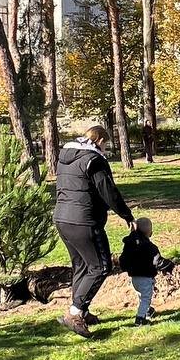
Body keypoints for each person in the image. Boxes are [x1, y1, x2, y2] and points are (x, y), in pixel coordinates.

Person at [54, 124, 135, 339]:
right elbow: (107, 190)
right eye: (106, 144)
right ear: (99, 141)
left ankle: (83, 310)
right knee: (101, 266)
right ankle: (75, 313)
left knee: (81, 265)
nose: (106, 149)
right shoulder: (94, 160)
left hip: (62, 218)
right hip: (84, 221)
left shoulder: (65, 156)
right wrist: (127, 215)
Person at [119, 217, 175, 326]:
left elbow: (123, 259)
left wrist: (125, 267)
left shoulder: (129, 246)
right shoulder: (150, 247)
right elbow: (157, 261)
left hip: (134, 277)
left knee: (142, 296)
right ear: (150, 233)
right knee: (146, 297)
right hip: (145, 277)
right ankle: (140, 319)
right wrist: (169, 265)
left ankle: (148, 310)